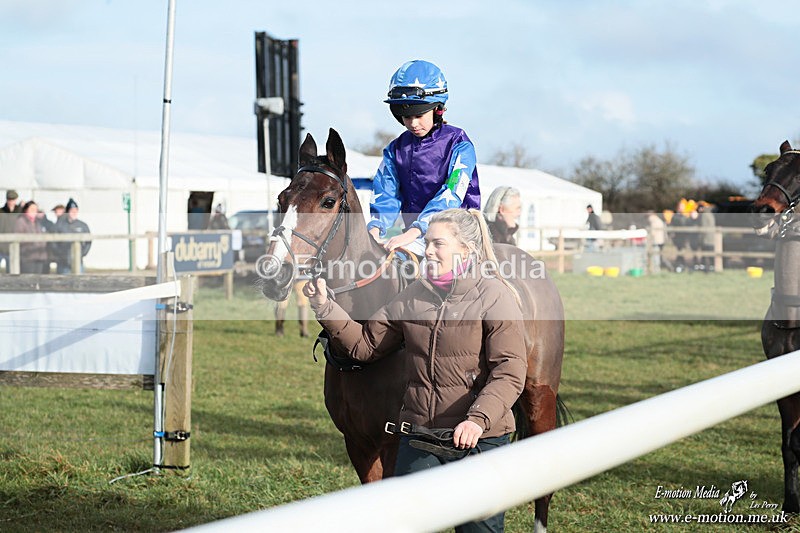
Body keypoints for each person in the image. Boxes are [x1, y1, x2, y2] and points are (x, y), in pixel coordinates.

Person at [305, 208, 526, 533]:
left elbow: (509, 372)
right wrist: (325, 306)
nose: (429, 250)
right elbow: (366, 346)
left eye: (438, 243)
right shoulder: (412, 296)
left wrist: (477, 420)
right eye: (426, 242)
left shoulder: (495, 297)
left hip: (479, 442)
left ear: (465, 249)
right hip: (420, 436)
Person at [367, 60, 481, 258]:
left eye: (419, 115)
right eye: (406, 116)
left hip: (458, 237)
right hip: (414, 237)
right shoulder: (394, 150)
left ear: (437, 109)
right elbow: (385, 194)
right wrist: (375, 229)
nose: (413, 123)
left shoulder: (460, 144)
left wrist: (416, 230)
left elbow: (452, 194)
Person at [54, 198, 91, 274]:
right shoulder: (59, 225)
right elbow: (53, 242)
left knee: (78, 283)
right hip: (63, 263)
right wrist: (59, 253)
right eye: (71, 211)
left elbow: (89, 241)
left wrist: (83, 253)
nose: (74, 213)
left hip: (78, 261)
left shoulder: (82, 225)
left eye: (75, 211)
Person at [14, 200, 48, 274]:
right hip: (28, 257)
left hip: (39, 255)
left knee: (38, 279)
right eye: (32, 209)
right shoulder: (21, 221)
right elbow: (19, 237)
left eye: (35, 210)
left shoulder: (38, 222)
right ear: (26, 210)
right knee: (28, 280)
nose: (34, 211)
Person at [0, 190, 22, 273]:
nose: (11, 201)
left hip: (13, 246)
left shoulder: (20, 212)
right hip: (1, 246)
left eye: (13, 199)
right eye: (9, 199)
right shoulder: (1, 211)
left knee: (12, 271)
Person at [697, 203, 716, 272]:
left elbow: (703, 228)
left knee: (705, 255)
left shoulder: (704, 215)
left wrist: (700, 238)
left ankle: (706, 269)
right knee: (711, 255)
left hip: (706, 239)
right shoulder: (710, 214)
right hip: (711, 238)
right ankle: (712, 267)